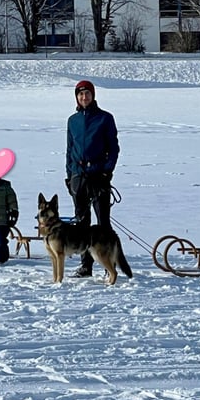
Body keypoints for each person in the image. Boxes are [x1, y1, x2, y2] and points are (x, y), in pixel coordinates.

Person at [65, 79, 120, 277]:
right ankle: (86, 265)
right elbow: (69, 150)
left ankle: (108, 264)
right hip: (78, 177)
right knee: (82, 224)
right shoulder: (72, 120)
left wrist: (106, 172)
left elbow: (113, 149)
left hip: (98, 176)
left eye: (87, 93)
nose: (84, 97)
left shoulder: (105, 118)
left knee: (102, 222)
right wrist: (70, 176)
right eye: (80, 94)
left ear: (93, 95)